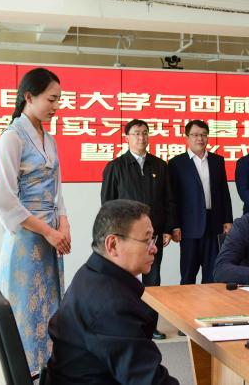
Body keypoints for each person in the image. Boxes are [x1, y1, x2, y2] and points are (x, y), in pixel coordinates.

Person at [47, 200, 179, 385]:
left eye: (153, 239)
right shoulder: (112, 305)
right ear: (113, 244)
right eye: (146, 240)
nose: (154, 248)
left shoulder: (90, 274)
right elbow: (150, 381)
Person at [0, 67, 71, 374]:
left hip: (51, 237)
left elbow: (58, 190)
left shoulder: (49, 139)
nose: (56, 106)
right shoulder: (12, 138)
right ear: (29, 96)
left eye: (59, 99)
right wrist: (48, 231)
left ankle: (45, 375)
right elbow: (6, 201)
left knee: (50, 309)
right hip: (27, 240)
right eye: (51, 99)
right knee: (24, 310)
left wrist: (63, 224)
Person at [100, 119, 177, 340]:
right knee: (124, 280)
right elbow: (107, 203)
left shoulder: (160, 166)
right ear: (127, 138)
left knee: (153, 281)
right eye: (136, 133)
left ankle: (150, 326)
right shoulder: (115, 167)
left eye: (144, 133)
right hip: (126, 236)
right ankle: (124, 324)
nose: (141, 137)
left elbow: (169, 200)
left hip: (153, 235)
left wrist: (168, 228)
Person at [168, 119, 233, 284]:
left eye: (204, 135)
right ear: (187, 137)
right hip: (189, 226)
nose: (200, 138)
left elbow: (224, 192)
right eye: (195, 135)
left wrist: (228, 220)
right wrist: (174, 225)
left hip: (214, 223)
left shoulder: (217, 161)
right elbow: (172, 197)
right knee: (188, 274)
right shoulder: (177, 163)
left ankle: (210, 302)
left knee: (212, 274)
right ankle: (186, 303)